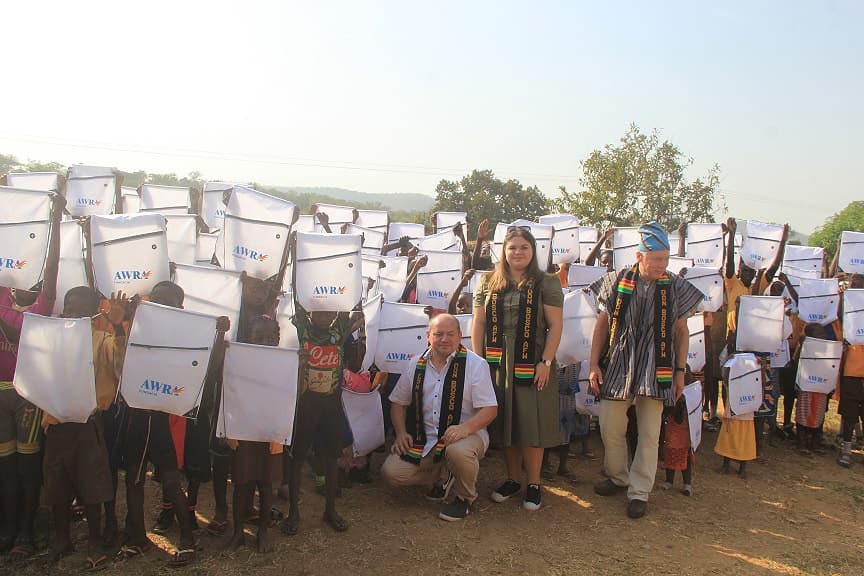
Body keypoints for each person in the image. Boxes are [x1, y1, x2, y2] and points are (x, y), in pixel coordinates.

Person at [588, 222, 702, 519]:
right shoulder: (616, 281)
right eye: (656, 259)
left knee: (650, 434)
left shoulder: (676, 286)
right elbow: (601, 325)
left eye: (665, 259)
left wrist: (679, 371)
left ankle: (639, 491)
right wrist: (592, 364)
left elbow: (681, 330)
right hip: (618, 366)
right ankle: (618, 477)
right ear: (640, 256)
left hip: (657, 368)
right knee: (610, 427)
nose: (661, 265)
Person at [119, 281, 229, 567]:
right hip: (138, 412)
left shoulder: (188, 335)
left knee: (170, 479)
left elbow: (209, 367)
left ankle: (188, 540)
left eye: (169, 302)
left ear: (180, 308)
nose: (162, 306)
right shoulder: (138, 327)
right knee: (134, 477)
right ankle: (137, 537)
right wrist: (126, 317)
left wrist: (218, 333)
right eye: (157, 300)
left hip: (167, 417)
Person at [472, 226, 564, 511]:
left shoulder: (546, 282)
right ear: (504, 250)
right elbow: (479, 324)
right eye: (512, 247)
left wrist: (546, 362)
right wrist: (479, 363)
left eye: (524, 247)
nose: (518, 252)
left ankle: (534, 484)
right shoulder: (488, 281)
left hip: (532, 361)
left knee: (531, 423)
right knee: (508, 422)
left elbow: (556, 325)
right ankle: (512, 479)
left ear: (533, 250)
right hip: (498, 362)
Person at [381, 314, 497, 521]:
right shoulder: (415, 364)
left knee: (458, 451)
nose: (445, 339)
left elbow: (490, 409)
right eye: (438, 334)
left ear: (460, 336)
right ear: (428, 336)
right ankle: (445, 474)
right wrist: (400, 433)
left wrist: (466, 428)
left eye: (450, 334)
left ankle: (465, 498)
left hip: (466, 436)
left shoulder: (476, 365)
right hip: (427, 439)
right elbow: (398, 402)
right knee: (392, 473)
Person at [42, 287, 127, 570]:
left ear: (93, 315)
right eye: (68, 307)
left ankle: (94, 541)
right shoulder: (51, 339)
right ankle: (62, 539)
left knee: (92, 486)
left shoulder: (101, 339)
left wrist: (117, 325)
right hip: (55, 424)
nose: (72, 313)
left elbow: (119, 363)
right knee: (57, 487)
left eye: (80, 310)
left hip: (87, 426)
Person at [0, 192, 63, 559]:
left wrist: (53, 223)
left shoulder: (42, 307)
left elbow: (52, 268)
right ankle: (8, 526)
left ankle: (25, 529)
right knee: (5, 467)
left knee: (27, 467)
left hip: (26, 397)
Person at [280, 295, 361, 536]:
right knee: (297, 457)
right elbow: (296, 297)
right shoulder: (303, 327)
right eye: (319, 312)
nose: (324, 317)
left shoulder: (340, 329)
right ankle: (293, 511)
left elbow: (349, 299)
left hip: (331, 403)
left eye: (329, 312)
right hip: (306, 402)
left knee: (331, 457)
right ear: (310, 313)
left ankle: (330, 510)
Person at [225, 315, 283, 553]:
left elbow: (291, 397)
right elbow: (229, 389)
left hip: (271, 433)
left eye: (271, 338)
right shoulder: (238, 362)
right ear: (249, 337)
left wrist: (298, 367)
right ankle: (238, 532)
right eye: (259, 337)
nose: (266, 342)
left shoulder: (284, 364)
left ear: (279, 340)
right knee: (242, 483)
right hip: (244, 430)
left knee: (266, 484)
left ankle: (263, 533)